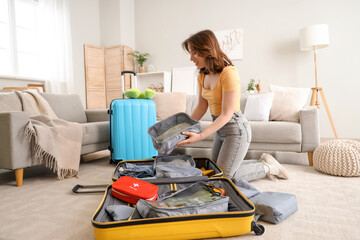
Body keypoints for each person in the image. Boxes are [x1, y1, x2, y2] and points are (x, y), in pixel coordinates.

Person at [177, 29, 289, 181]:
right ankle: (261, 162)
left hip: (236, 130)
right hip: (220, 130)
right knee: (214, 171)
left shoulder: (228, 73)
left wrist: (201, 136)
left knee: (224, 178)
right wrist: (181, 127)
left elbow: (226, 114)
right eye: (190, 53)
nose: (191, 58)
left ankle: (268, 167)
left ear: (207, 50)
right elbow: (201, 107)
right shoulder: (202, 75)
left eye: (194, 53)